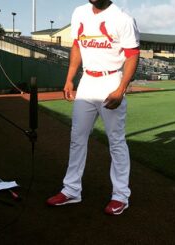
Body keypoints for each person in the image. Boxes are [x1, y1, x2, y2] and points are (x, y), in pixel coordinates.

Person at [47, 0, 140, 215]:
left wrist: (121, 88)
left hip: (111, 80)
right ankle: (71, 190)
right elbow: (77, 45)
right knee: (77, 137)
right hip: (87, 81)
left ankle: (120, 195)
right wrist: (70, 78)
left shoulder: (123, 19)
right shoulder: (79, 12)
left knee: (115, 140)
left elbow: (132, 55)